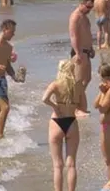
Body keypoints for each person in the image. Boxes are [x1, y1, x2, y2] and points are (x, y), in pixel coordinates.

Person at [42, 60, 81, 191]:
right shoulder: (78, 85)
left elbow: (44, 99)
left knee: (57, 165)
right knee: (71, 164)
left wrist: (55, 106)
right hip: (72, 122)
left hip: (57, 122)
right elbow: (83, 106)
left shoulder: (56, 84)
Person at [69, 0, 96, 116]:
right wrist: (78, 53)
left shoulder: (84, 17)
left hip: (86, 51)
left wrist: (91, 48)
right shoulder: (75, 17)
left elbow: (87, 34)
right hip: (79, 51)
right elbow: (73, 36)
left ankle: (76, 103)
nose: (89, 10)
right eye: (88, 7)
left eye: (91, 7)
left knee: (87, 79)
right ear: (81, 3)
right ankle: (77, 107)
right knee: (78, 81)